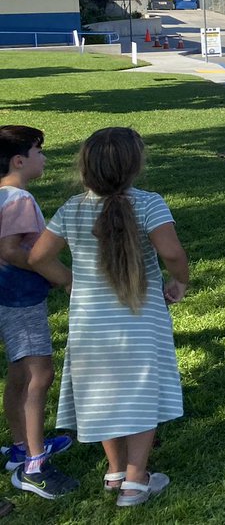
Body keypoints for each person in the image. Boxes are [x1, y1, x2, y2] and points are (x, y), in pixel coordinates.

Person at [28, 128, 189, 508]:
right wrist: (180, 280)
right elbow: (172, 252)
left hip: (89, 324)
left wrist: (72, 282)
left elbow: (38, 258)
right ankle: (135, 482)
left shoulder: (72, 208)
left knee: (103, 393)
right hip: (140, 319)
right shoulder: (149, 204)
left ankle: (116, 470)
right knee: (141, 395)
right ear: (135, 166)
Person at [0, 126, 76, 501]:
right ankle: (34, 464)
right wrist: (62, 276)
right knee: (39, 375)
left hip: (10, 297)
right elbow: (12, 250)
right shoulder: (19, 199)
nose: (43, 158)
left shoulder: (4, 196)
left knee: (19, 371)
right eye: (39, 151)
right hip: (21, 298)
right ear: (19, 160)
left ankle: (19, 446)